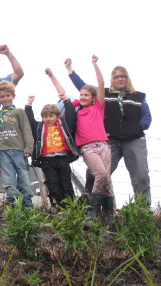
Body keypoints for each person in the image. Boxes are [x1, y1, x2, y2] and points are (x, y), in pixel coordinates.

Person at [65, 58, 152, 206]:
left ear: (127, 78)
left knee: (141, 175)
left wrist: (135, 129)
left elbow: (146, 118)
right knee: (97, 172)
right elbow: (83, 87)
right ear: (112, 79)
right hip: (109, 140)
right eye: (117, 76)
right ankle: (93, 205)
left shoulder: (138, 96)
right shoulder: (104, 94)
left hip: (133, 139)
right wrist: (70, 70)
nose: (120, 79)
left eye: (123, 76)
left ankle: (142, 211)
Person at [56, 56, 114, 220]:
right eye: (81, 94)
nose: (82, 97)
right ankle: (92, 211)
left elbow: (101, 85)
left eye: (86, 95)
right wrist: (65, 70)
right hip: (88, 148)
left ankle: (109, 216)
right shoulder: (76, 112)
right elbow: (62, 96)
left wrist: (95, 64)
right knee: (101, 175)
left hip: (103, 145)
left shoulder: (98, 108)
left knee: (107, 180)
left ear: (93, 98)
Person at [25, 68, 80, 210]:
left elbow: (71, 115)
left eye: (51, 116)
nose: (48, 119)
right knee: (52, 183)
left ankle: (70, 209)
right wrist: (29, 106)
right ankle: (58, 208)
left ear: (57, 117)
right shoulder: (40, 127)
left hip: (62, 158)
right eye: (45, 116)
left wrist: (66, 101)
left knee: (66, 183)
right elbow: (30, 121)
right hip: (47, 160)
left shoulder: (63, 125)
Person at [0, 81, 34, 207]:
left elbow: (26, 130)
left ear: (13, 96)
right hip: (3, 151)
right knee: (8, 178)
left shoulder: (19, 112)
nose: (5, 99)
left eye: (8, 96)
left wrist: (29, 147)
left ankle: (27, 204)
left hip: (19, 150)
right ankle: (13, 203)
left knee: (24, 177)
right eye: (2, 97)